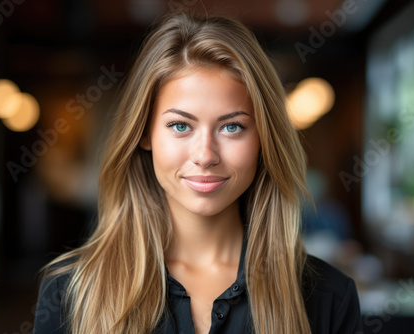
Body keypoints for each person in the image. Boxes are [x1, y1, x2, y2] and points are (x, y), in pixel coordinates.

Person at [33, 13, 362, 334]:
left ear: (264, 138)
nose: (205, 155)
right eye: (180, 126)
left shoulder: (328, 298)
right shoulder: (69, 293)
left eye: (232, 127)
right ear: (144, 133)